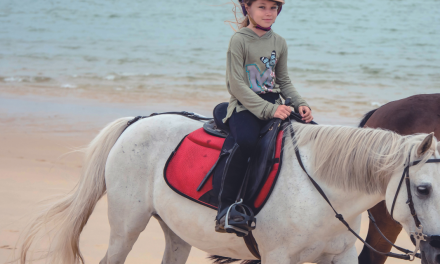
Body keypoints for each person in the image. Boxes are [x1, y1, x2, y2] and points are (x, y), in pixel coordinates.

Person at [214, 0, 313, 234]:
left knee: (311, 136)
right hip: (245, 106)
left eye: (273, 8)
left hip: (274, 103)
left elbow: (283, 81)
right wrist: (269, 111)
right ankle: (226, 209)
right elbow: (236, 85)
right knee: (247, 142)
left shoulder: (279, 42)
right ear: (247, 8)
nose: (268, 13)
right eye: (262, 7)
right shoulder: (239, 40)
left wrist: (301, 104)